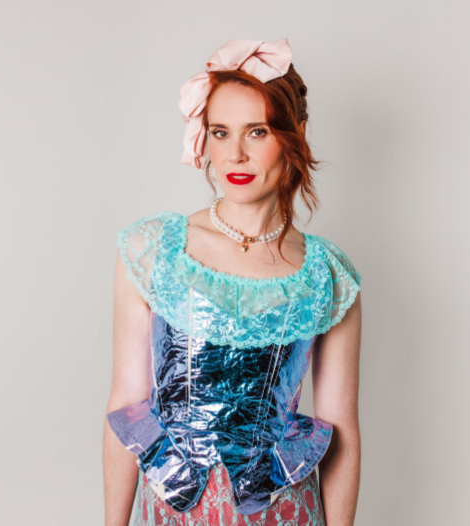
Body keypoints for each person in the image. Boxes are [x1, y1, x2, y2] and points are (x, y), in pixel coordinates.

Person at [103, 38, 363, 526]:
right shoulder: (153, 249)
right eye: (220, 133)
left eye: (257, 132)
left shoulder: (326, 273)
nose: (235, 155)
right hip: (174, 511)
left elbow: (341, 428)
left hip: (285, 512)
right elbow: (125, 405)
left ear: (295, 134)